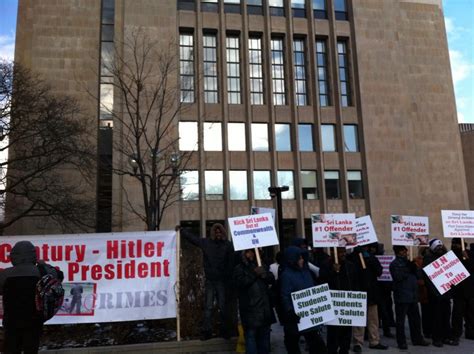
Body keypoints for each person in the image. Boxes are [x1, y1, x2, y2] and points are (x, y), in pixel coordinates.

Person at [0, 240, 62, 353]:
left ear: (13, 256)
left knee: (11, 349)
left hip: (11, 321)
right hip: (35, 320)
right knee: (31, 349)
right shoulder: (42, 271)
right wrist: (44, 265)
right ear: (33, 255)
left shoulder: (4, 274)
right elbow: (59, 276)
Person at [178, 223, 234, 340]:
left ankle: (225, 331)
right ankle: (207, 332)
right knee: (208, 307)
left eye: (220, 232)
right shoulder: (207, 243)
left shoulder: (228, 245)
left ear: (223, 233)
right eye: (216, 232)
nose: (218, 234)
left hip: (222, 281)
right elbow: (194, 239)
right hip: (210, 280)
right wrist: (182, 231)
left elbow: (233, 260)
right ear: (213, 233)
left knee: (223, 307)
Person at [280, 246, 327, 354]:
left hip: (309, 316)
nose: (302, 260)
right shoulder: (286, 275)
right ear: (292, 259)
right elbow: (285, 295)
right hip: (295, 318)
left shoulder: (306, 272)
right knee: (292, 345)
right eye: (299, 258)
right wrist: (290, 311)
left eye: (302, 258)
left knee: (318, 346)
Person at [233, 249, 275, 354]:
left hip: (264, 311)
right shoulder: (239, 268)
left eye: (253, 252)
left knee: (264, 342)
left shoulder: (262, 265)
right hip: (250, 312)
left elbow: (272, 278)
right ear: (244, 254)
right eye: (248, 252)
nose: (251, 254)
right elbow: (240, 284)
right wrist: (254, 273)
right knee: (251, 340)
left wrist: (265, 274)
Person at [319, 247, 358, 354]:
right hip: (333, 304)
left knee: (346, 332)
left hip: (347, 303)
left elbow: (355, 281)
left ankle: (344, 350)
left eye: (344, 251)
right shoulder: (326, 265)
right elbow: (322, 282)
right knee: (333, 332)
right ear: (333, 252)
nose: (343, 254)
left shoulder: (349, 265)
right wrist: (333, 272)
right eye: (340, 252)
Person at [389, 245, 429, 349]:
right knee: (400, 321)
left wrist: (415, 268)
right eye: (403, 251)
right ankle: (401, 342)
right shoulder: (394, 264)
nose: (406, 252)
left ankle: (417, 339)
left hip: (413, 296)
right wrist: (408, 269)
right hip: (402, 296)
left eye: (406, 250)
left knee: (415, 319)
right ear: (398, 252)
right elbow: (398, 277)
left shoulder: (410, 262)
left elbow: (419, 275)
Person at [349, 244, 388, 352]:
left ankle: (374, 341)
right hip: (358, 292)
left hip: (372, 293)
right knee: (358, 320)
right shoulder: (352, 258)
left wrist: (370, 260)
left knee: (373, 319)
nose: (366, 248)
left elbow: (379, 272)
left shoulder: (371, 257)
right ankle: (357, 342)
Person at [423, 238, 457, 347]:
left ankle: (447, 336)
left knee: (446, 316)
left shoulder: (446, 257)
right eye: (437, 247)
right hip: (435, 294)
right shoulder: (428, 259)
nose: (440, 249)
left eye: (440, 247)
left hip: (446, 293)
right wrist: (434, 292)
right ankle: (437, 338)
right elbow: (428, 278)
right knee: (436, 317)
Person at [450, 238, 474, 342]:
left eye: (457, 244)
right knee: (457, 313)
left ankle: (470, 331)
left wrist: (467, 259)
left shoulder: (468, 253)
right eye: (454, 244)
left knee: (471, 312)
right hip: (458, 290)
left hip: (470, 288)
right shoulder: (451, 256)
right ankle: (456, 333)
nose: (455, 246)